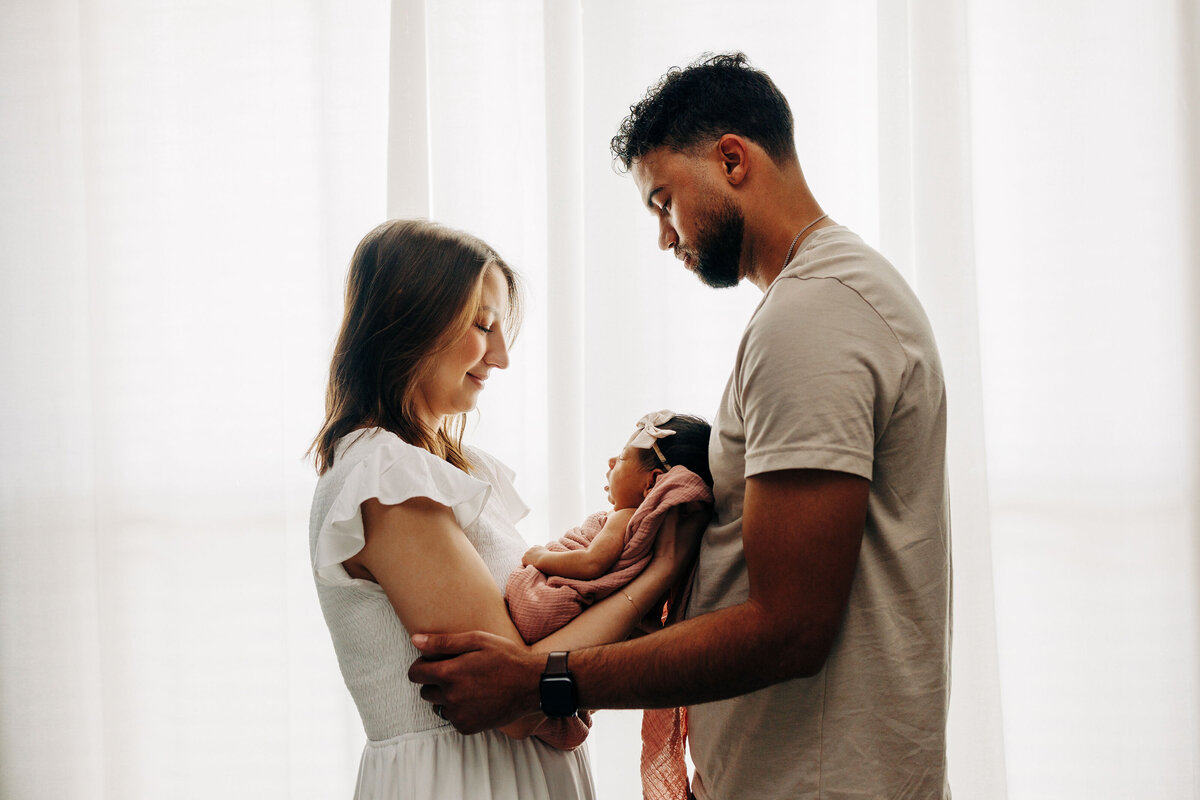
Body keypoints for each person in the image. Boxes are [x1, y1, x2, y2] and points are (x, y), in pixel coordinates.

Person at [408, 52, 952, 799]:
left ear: (733, 159)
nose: (665, 237)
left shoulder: (814, 315)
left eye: (663, 201)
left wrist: (546, 681)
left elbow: (788, 626)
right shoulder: (829, 298)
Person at [307, 219, 701, 799]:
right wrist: (659, 573)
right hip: (464, 781)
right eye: (482, 326)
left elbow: (532, 660)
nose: (500, 356)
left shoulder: (445, 470)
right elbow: (515, 698)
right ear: (409, 319)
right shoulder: (384, 478)